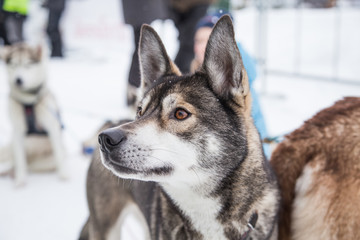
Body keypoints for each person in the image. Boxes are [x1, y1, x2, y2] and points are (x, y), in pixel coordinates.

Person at [191, 11, 271, 158]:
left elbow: (255, 128)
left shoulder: (236, 87)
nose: (201, 47)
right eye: (198, 40)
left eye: (207, 41)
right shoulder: (193, 77)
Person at [122, 0, 214, 109]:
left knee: (188, 44)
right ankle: (135, 90)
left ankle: (181, 89)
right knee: (145, 45)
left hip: (197, 3)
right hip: (171, 4)